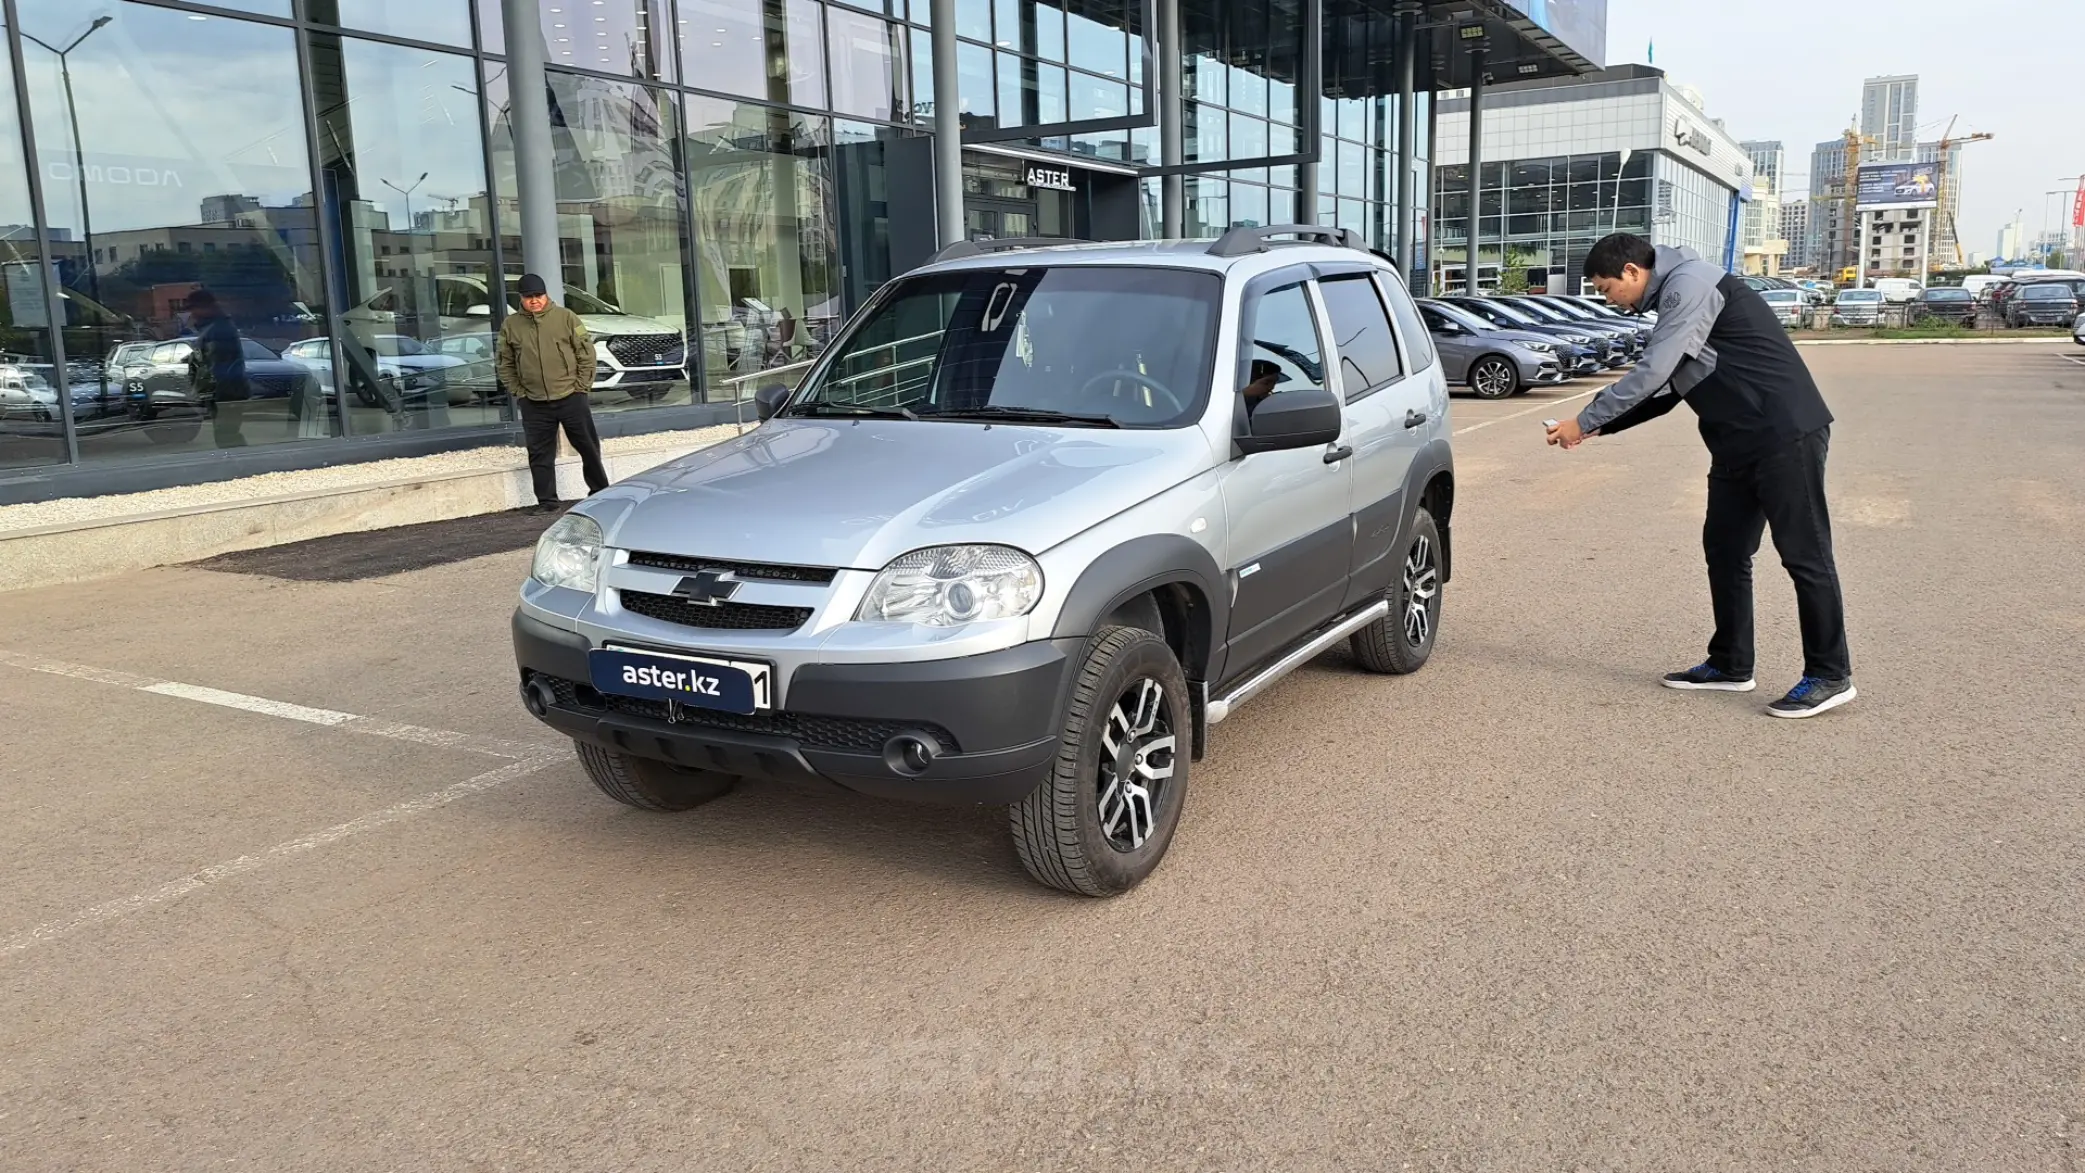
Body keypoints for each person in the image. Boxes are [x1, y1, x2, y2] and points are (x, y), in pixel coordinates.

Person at [1546, 233, 1854, 718]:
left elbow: (1652, 372)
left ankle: (1829, 674)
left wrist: (1582, 420)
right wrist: (1595, 429)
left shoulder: (1688, 284)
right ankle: (1731, 663)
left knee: (1805, 556)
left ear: (1631, 272)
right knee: (1725, 551)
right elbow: (1670, 389)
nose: (1610, 300)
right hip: (1735, 443)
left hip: (1783, 435)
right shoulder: (1674, 299)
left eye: (1606, 289)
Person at [496, 273, 609, 512]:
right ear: (521, 298)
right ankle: (547, 502)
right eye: (529, 297)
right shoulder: (511, 325)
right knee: (539, 454)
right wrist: (519, 391)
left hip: (571, 396)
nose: (534, 301)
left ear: (546, 295)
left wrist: (581, 387)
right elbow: (504, 362)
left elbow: (586, 353)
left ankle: (600, 493)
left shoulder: (566, 318)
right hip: (534, 402)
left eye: (538, 296)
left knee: (588, 447)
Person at [184, 289, 250, 449]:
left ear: (206, 307)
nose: (191, 314)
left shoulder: (219, 330)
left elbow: (218, 365)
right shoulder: (213, 328)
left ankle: (244, 468)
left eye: (194, 308)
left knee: (226, 435)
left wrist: (214, 393)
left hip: (225, 393)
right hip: (222, 393)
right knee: (226, 434)